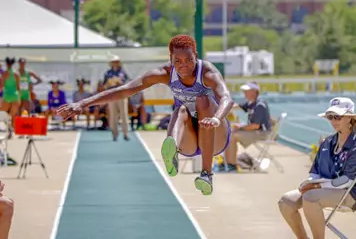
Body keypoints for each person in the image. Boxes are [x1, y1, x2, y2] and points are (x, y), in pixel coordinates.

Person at [57, 35, 234, 195]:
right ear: (170, 59)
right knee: (180, 110)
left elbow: (226, 97)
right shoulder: (163, 73)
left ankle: (206, 174)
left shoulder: (207, 72)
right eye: (178, 61)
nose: (184, 65)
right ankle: (172, 148)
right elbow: (125, 90)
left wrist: (216, 118)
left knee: (203, 100)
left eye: (189, 60)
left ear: (196, 55)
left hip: (214, 136)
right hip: (189, 139)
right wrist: (81, 104)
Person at [278, 97, 356, 239]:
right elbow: (315, 173)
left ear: (350, 119)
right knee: (285, 202)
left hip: (349, 193)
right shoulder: (327, 142)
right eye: (330, 117)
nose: (333, 121)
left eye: (337, 117)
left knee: (310, 197)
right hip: (323, 189)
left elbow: (346, 180)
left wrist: (315, 186)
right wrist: (309, 183)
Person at [222, 81, 272, 172]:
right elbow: (236, 106)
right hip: (255, 131)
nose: (244, 93)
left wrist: (239, 127)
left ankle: (231, 164)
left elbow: (255, 126)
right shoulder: (251, 103)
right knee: (230, 133)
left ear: (254, 91)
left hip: (261, 133)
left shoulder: (259, 105)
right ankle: (227, 162)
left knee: (232, 135)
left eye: (246, 91)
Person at [103, 56, 130, 141]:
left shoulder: (123, 72)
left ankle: (126, 133)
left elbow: (128, 83)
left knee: (124, 115)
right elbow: (104, 85)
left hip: (122, 95)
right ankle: (114, 134)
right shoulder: (107, 73)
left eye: (117, 61)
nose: (115, 63)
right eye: (114, 61)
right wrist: (109, 83)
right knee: (113, 116)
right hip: (112, 96)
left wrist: (120, 83)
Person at [0, 58, 20, 138]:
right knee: (13, 114)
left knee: (4, 113)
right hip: (15, 95)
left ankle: (9, 130)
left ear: (7, 64)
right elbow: (18, 87)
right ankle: (11, 129)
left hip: (7, 95)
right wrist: (19, 98)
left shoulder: (4, 73)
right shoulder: (16, 73)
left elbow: (1, 86)